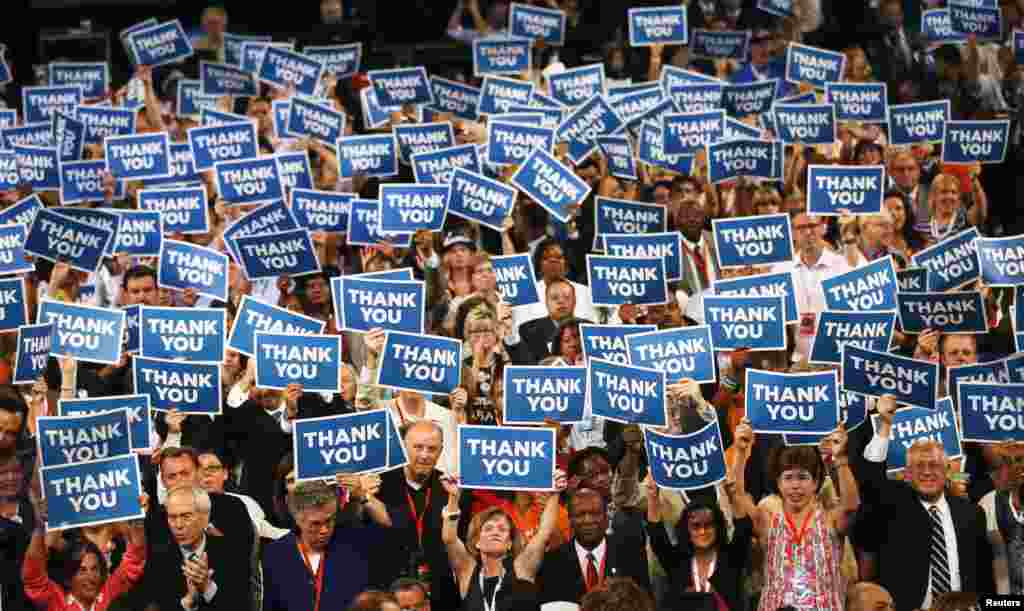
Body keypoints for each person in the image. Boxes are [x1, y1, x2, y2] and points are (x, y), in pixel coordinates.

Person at [859, 395, 995, 610]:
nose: (927, 472)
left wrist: (997, 605)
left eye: (934, 465)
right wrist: (885, 426)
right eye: (919, 466)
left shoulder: (972, 513)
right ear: (907, 474)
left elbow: (985, 576)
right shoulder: (892, 508)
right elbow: (871, 482)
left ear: (947, 471)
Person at [732, 420, 858, 611]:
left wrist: (840, 458)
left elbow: (850, 506)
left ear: (816, 482)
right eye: (788, 477)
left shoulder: (830, 520)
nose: (795, 485)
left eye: (803, 477)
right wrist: (741, 452)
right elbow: (737, 494)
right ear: (778, 483)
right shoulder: (767, 520)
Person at [441, 470, 566, 610]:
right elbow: (449, 538)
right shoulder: (468, 571)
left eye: (502, 529)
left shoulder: (521, 568)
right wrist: (453, 496)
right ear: (477, 541)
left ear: (510, 543)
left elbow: (544, 533)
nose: (495, 531)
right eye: (488, 528)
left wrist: (555, 493)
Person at [376, 421, 466, 608]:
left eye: (431, 449)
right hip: (388, 591)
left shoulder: (450, 489)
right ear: (403, 447)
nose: (424, 455)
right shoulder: (379, 484)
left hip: (440, 593)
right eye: (418, 447)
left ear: (440, 451)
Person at [261, 480, 377, 611]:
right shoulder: (275, 555)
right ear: (298, 519)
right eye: (315, 524)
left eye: (329, 521)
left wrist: (364, 497)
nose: (324, 530)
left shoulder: (354, 546)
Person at [21, 494, 147, 611]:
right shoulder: (57, 601)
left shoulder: (109, 593)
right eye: (82, 570)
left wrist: (138, 519)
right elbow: (33, 576)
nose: (90, 577)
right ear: (69, 578)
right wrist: (40, 528)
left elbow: (135, 557)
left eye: (94, 569)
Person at [645, 478, 752, 611]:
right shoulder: (677, 560)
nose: (702, 531)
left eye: (708, 525)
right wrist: (652, 498)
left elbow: (744, 528)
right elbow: (656, 535)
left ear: (718, 526)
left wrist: (733, 495)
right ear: (686, 529)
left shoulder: (731, 557)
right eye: (696, 526)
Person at [140, 485, 248, 611]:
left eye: (186, 516)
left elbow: (240, 605)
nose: (178, 525)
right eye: (172, 517)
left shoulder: (231, 552)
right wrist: (188, 602)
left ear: (205, 518)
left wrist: (207, 588)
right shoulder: (158, 557)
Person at [536, 488, 650, 605]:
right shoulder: (551, 563)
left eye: (595, 513)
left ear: (606, 518)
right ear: (569, 520)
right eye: (580, 514)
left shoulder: (631, 555)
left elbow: (645, 603)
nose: (588, 520)